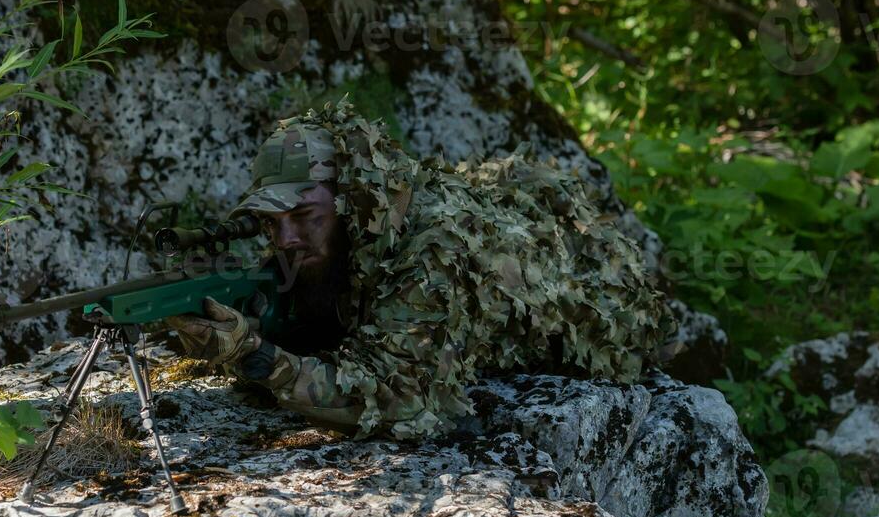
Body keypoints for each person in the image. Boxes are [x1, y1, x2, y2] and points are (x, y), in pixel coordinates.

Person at [165, 99, 675, 439]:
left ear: (352, 205)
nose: (286, 240)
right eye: (270, 222)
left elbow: (393, 396)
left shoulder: (432, 258)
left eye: (304, 216)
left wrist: (257, 357)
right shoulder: (346, 238)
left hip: (599, 303)